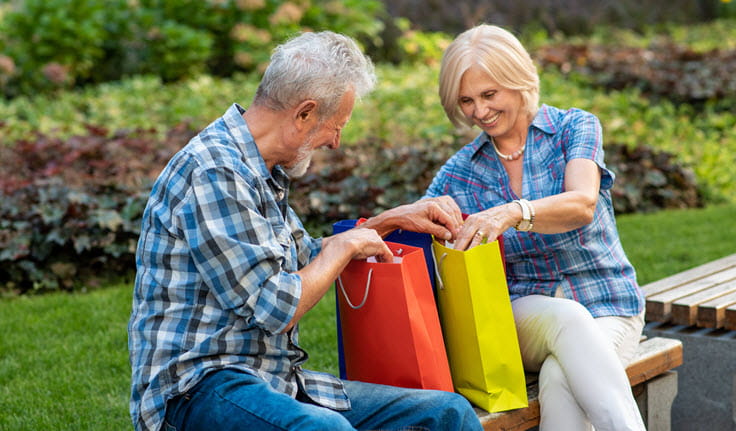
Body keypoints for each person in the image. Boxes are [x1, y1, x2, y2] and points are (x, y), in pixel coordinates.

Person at [128, 31, 482, 431]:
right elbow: (275, 304)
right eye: (336, 126)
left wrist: (388, 222)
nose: (335, 142)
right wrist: (342, 248)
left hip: (273, 380)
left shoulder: (259, 170)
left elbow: (304, 258)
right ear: (304, 113)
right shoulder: (215, 172)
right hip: (199, 390)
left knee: (447, 414)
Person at [424, 24, 647, 431]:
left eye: (489, 95)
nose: (479, 111)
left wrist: (511, 213)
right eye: (467, 100)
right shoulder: (460, 172)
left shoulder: (573, 129)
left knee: (560, 379)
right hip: (524, 314)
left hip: (607, 303)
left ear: (519, 80)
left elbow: (582, 203)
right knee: (567, 319)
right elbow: (416, 224)